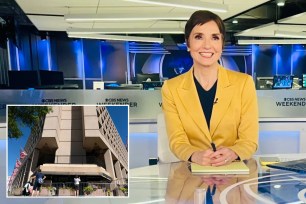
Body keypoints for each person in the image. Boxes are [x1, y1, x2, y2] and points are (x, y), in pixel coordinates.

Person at [161, 10, 258, 167]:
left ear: (222, 44)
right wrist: (194, 155)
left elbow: (249, 140)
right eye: (199, 37)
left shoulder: (244, 84)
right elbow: (177, 141)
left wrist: (234, 152)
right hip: (191, 178)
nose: (207, 45)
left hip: (233, 177)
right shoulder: (171, 88)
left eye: (215, 37)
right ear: (188, 44)